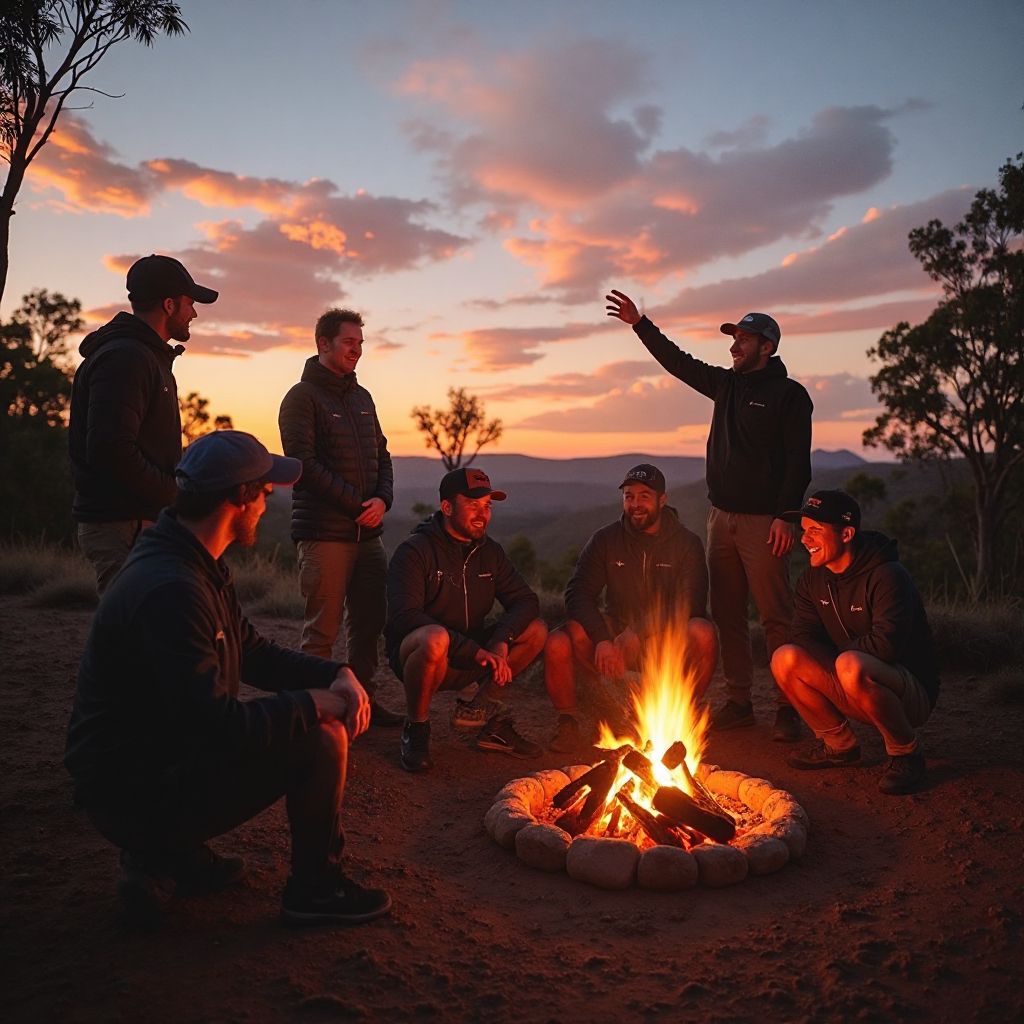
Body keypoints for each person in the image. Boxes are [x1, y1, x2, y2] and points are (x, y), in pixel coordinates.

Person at [65, 430, 391, 925]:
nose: (268, 500)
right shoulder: (173, 588)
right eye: (263, 490)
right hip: (129, 793)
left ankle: (172, 856)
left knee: (310, 716)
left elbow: (253, 652)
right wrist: (315, 704)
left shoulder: (192, 561)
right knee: (323, 738)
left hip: (147, 767)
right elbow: (216, 725)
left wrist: (337, 671)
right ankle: (314, 890)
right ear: (238, 499)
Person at [606, 290, 813, 742]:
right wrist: (640, 324)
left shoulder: (790, 397)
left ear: (767, 347)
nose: (735, 346)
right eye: (734, 338)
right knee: (728, 614)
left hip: (764, 523)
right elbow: (678, 362)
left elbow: (798, 461)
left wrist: (787, 516)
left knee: (776, 616)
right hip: (721, 518)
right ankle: (740, 701)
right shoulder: (726, 385)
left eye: (744, 339)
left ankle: (787, 706)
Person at [770, 490, 939, 795]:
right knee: (785, 657)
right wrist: (835, 675)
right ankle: (840, 747)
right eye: (804, 531)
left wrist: (840, 666)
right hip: (853, 677)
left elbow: (886, 646)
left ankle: (906, 753)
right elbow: (803, 636)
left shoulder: (887, 575)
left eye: (815, 531)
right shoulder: (812, 579)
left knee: (850, 664)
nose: (805, 540)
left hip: (909, 693)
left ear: (846, 533)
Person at [278, 308, 400, 727]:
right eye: (350, 342)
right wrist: (357, 505)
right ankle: (313, 713)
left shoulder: (362, 397)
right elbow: (302, 466)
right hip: (325, 533)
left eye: (361, 343)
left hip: (369, 532)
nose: (357, 351)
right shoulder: (301, 398)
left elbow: (382, 454)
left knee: (369, 624)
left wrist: (382, 500)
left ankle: (361, 701)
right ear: (323, 344)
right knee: (321, 632)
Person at [69, 254, 219, 594]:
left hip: (138, 521)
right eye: (189, 304)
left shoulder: (145, 356)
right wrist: (175, 494)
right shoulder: (126, 358)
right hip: (124, 524)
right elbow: (110, 450)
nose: (193, 313)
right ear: (169, 305)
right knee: (132, 635)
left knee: (147, 632)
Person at [543, 464, 718, 752]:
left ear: (662, 500)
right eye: (629, 496)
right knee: (560, 640)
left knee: (702, 632)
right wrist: (602, 639)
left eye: (644, 496)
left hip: (662, 639)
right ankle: (569, 722)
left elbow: (692, 602)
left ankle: (679, 714)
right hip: (614, 637)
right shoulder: (606, 540)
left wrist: (638, 632)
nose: (635, 504)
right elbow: (577, 593)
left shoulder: (687, 543)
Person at [385, 467, 548, 772]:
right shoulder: (414, 551)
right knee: (434, 637)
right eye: (472, 504)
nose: (482, 514)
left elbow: (526, 601)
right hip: (425, 659)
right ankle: (416, 728)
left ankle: (482, 714)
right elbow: (404, 616)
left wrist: (501, 641)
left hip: (475, 656)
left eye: (487, 506)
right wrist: (473, 650)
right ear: (447, 507)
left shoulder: (491, 553)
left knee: (536, 630)